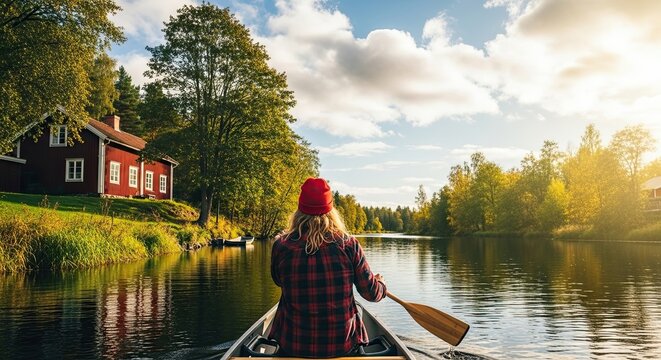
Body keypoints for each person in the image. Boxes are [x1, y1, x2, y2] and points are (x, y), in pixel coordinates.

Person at [268, 177, 387, 358]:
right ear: (331, 210)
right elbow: (371, 294)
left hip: (294, 346)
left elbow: (278, 281)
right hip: (341, 347)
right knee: (359, 309)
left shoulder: (282, 246)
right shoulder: (348, 245)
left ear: (300, 210)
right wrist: (381, 285)